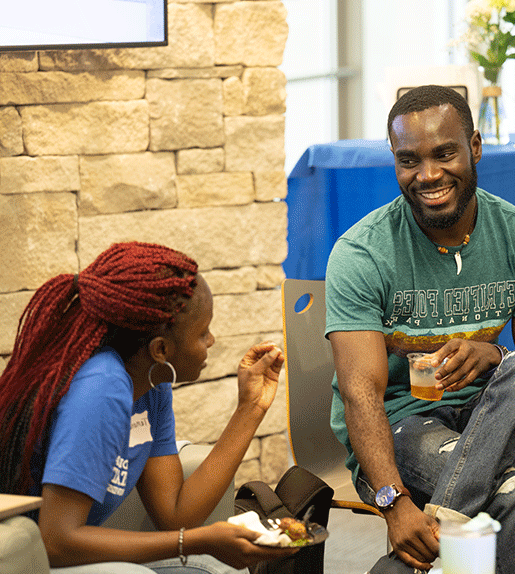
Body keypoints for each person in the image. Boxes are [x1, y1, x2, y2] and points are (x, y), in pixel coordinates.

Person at [325, 85, 515, 574]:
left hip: (491, 415)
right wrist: (393, 504)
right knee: (513, 494)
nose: (428, 174)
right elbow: (361, 394)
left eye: (445, 153)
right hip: (400, 430)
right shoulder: (362, 253)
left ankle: (415, 551)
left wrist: (492, 356)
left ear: (474, 148)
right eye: (409, 160)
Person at [0, 241, 297, 574]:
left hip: (52, 551)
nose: (210, 341)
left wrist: (251, 408)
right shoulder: (103, 388)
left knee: (212, 569)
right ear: (160, 349)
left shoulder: (150, 384)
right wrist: (197, 541)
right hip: (22, 556)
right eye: (202, 333)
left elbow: (176, 515)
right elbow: (56, 541)